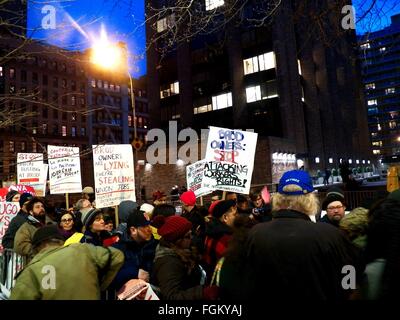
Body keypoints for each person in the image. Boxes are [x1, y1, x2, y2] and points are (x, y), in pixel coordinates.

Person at [240, 169, 363, 300]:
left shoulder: (255, 234)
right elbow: (350, 274)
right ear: (310, 199)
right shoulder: (330, 235)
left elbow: (246, 280)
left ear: (277, 199)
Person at [10, 225, 124, 300]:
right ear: (61, 241)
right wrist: (99, 284)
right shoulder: (84, 250)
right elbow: (117, 256)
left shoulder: (31, 271)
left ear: (36, 248)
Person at [153, 215, 218, 300]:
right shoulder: (168, 263)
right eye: (188, 236)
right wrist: (202, 293)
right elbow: (171, 296)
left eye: (191, 234)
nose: (191, 238)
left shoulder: (184, 250)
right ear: (177, 240)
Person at [110, 208, 157, 292]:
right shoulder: (117, 250)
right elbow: (109, 279)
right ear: (133, 230)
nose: (149, 229)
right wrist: (134, 273)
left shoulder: (155, 245)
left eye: (149, 225)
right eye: (145, 226)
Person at [203, 200, 237, 281]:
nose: (237, 217)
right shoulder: (226, 239)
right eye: (235, 214)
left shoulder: (210, 233)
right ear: (225, 217)